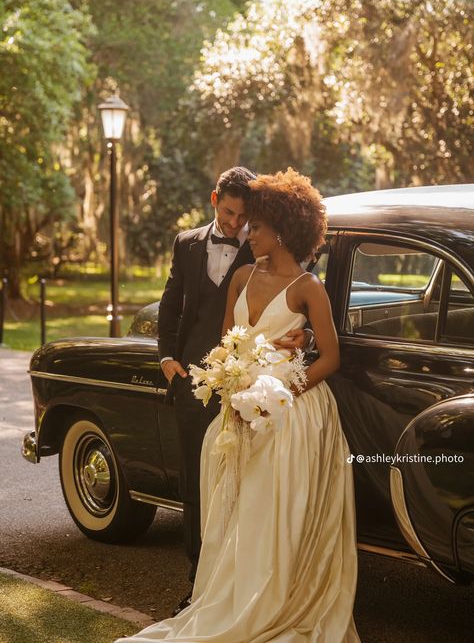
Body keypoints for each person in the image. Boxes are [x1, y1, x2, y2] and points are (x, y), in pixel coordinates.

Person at [116, 167, 360, 642]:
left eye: (257, 227)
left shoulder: (309, 288)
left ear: (282, 232)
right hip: (238, 406)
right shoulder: (242, 275)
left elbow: (330, 357)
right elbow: (228, 341)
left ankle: (278, 596)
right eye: (243, 223)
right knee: (230, 502)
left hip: (291, 412)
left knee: (277, 509)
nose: (247, 233)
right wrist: (230, 381)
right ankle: (222, 591)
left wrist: (281, 390)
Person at [157, 166, 309, 614]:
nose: (235, 224)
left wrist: (306, 337)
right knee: (195, 486)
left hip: (248, 387)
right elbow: (171, 300)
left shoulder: (266, 246)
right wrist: (167, 358)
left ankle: (240, 583)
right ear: (213, 200)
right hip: (193, 384)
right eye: (228, 213)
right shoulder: (186, 244)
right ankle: (197, 582)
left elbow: (302, 286)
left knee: (241, 485)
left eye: (243, 217)